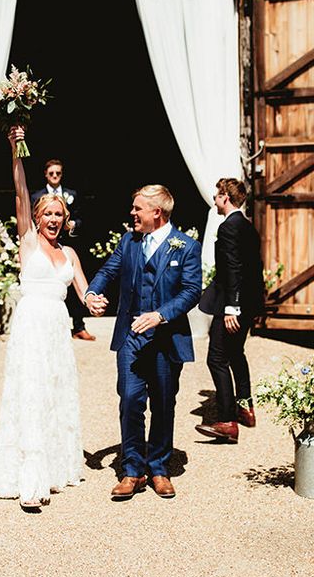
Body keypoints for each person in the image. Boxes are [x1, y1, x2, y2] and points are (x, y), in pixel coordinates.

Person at [0, 127, 88, 511]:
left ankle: (57, 467)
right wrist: (16, 149)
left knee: (55, 391)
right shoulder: (28, 241)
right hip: (31, 326)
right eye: (47, 213)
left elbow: (86, 294)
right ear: (36, 216)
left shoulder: (71, 254)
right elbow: (19, 190)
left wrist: (97, 302)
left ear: (65, 220)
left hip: (57, 332)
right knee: (30, 391)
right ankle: (30, 481)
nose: (53, 218)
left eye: (59, 215)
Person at [85, 185, 201, 500]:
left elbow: (192, 291)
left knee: (164, 403)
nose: (132, 214)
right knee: (131, 399)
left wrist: (160, 315)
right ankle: (133, 470)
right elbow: (107, 272)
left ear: (156, 212)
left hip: (166, 340)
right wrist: (91, 293)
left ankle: (160, 468)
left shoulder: (186, 246)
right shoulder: (129, 241)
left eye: (137, 208)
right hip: (131, 339)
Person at [195, 178, 265, 443]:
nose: (214, 199)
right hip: (247, 303)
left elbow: (234, 269)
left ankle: (227, 420)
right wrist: (253, 305)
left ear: (226, 197)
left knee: (216, 358)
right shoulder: (248, 227)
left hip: (233, 304)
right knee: (236, 353)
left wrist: (232, 307)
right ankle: (245, 407)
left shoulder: (228, 227)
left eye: (216, 195)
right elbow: (254, 269)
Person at [30, 159, 95, 341]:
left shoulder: (71, 194)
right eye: (51, 173)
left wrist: (72, 224)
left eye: (58, 173)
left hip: (68, 245)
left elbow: (82, 217)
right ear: (46, 174)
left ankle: (79, 326)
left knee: (73, 286)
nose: (55, 176)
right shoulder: (37, 196)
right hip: (43, 248)